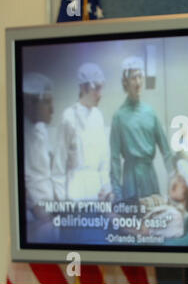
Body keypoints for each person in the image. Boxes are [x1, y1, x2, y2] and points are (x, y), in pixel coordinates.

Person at [110, 56, 173, 202]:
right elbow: (114, 159)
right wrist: (117, 194)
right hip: (130, 178)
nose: (138, 83)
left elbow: (166, 151)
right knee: (133, 222)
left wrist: (173, 178)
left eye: (140, 77)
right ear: (125, 82)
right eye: (133, 78)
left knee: (153, 219)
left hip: (149, 176)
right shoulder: (119, 117)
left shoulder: (150, 113)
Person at [53, 62, 111, 202]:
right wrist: (61, 205)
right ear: (84, 87)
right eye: (97, 89)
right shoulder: (68, 117)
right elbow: (58, 167)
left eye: (101, 88)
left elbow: (104, 160)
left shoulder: (98, 116)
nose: (100, 94)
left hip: (98, 193)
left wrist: (106, 188)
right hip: (75, 193)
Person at [22, 72, 57, 242]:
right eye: (48, 103)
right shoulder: (19, 134)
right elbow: (21, 182)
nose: (53, 110)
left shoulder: (41, 128)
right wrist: (42, 215)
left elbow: (49, 161)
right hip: (35, 215)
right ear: (31, 103)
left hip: (49, 208)